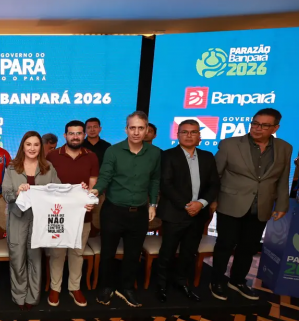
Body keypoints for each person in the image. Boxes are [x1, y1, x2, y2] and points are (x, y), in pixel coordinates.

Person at [210, 108, 292, 301]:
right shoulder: (230, 144)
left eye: (264, 125)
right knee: (225, 244)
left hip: (261, 206)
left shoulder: (284, 148)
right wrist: (212, 200)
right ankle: (217, 281)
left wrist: (282, 205)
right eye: (255, 123)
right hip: (231, 204)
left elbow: (282, 178)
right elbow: (215, 175)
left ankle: (237, 281)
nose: (257, 128)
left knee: (248, 247)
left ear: (275, 128)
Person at [92, 111, 161, 308]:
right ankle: (106, 287)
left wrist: (153, 204)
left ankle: (127, 288)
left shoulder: (155, 153)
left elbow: (155, 180)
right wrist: (95, 191)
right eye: (132, 128)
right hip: (113, 211)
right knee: (108, 253)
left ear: (147, 130)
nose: (136, 132)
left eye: (140, 128)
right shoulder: (113, 151)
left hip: (139, 212)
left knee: (133, 253)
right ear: (126, 129)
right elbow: (105, 177)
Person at [155, 120, 219, 303]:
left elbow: (214, 184)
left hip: (198, 214)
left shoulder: (207, 156)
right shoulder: (167, 155)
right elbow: (166, 184)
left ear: (199, 136)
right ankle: (161, 285)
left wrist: (201, 204)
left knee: (189, 252)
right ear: (178, 135)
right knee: (167, 252)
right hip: (174, 213)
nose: (189, 135)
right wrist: (187, 205)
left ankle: (181, 282)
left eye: (193, 132)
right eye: (184, 132)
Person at [1, 132, 60, 309]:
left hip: (40, 219)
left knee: (35, 259)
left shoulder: (48, 167)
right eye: (28, 144)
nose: (32, 148)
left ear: (40, 147)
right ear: (23, 146)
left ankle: (32, 297)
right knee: (17, 258)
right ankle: (19, 296)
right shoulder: (12, 168)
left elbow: (58, 191)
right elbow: (6, 195)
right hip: (18, 218)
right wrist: (17, 192)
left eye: (36, 144)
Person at [45, 120, 98, 307]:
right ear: (65, 135)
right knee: (57, 253)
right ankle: (55, 288)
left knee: (77, 253)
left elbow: (93, 185)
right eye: (71, 133)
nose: (75, 137)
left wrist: (91, 199)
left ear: (84, 135)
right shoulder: (52, 156)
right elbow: (46, 184)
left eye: (79, 133)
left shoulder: (91, 156)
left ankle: (74, 287)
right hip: (57, 214)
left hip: (82, 215)